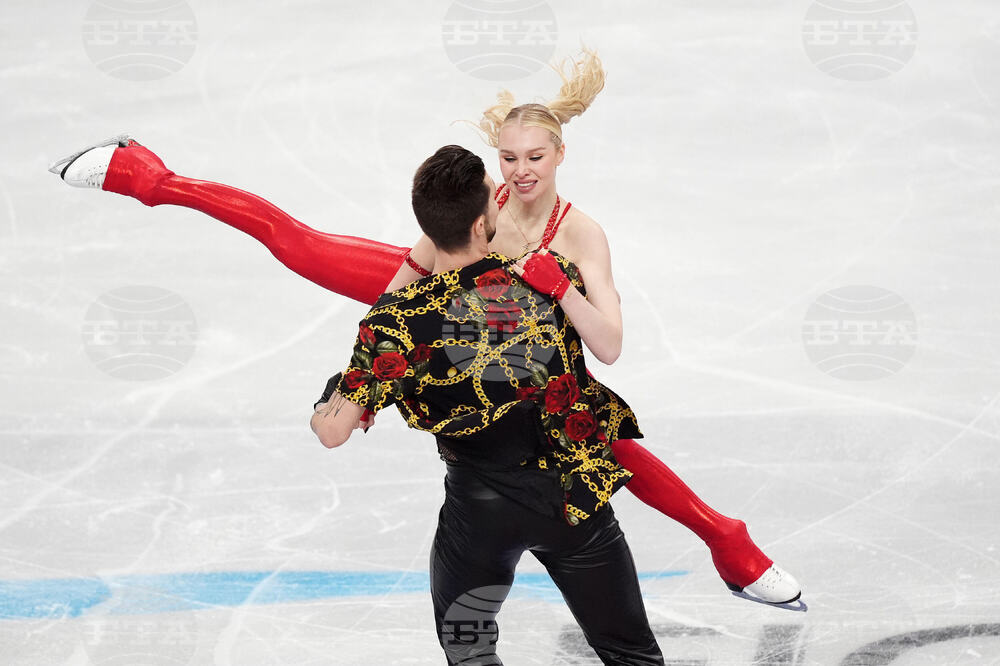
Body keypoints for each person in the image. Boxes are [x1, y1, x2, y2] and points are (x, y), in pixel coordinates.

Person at [47, 53, 800, 606]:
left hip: (530, 359)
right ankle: (145, 177)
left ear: (561, 155)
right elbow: (418, 271)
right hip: (447, 308)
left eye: (535, 158)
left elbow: (608, 345)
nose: (520, 171)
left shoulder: (581, 236)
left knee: (597, 431)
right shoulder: (489, 200)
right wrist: (380, 356)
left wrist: (554, 292)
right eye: (508, 158)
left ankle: (727, 540)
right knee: (295, 242)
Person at [310, 144, 664, 663]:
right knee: (631, 656)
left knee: (469, 651)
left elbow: (332, 430)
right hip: (571, 502)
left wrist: (342, 388)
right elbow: (605, 344)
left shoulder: (395, 325)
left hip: (478, 515)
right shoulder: (543, 282)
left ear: (428, 228)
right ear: (483, 222)